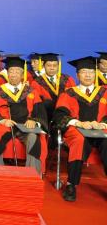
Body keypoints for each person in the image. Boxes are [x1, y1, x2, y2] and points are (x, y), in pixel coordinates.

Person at [53, 56, 107, 202]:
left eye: (91, 72)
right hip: (77, 130)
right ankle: (71, 184)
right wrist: (79, 123)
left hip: (100, 130)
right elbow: (59, 115)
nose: (88, 75)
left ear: (96, 74)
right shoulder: (68, 93)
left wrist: (103, 124)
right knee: (79, 141)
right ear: (77, 75)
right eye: (84, 72)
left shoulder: (104, 92)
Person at [0, 55, 47, 174]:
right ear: (7, 73)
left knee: (34, 137)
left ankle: (32, 175)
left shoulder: (31, 92)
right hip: (6, 126)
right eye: (11, 71)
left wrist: (34, 120)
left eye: (17, 72)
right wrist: (3, 121)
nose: (13, 74)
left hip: (26, 126)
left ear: (22, 74)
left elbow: (40, 112)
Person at [29, 53, 75, 123]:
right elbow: (37, 103)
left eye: (55, 65)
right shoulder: (37, 82)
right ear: (43, 66)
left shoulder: (67, 79)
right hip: (46, 115)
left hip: (64, 114)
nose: (52, 68)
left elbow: (74, 98)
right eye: (49, 65)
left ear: (58, 66)